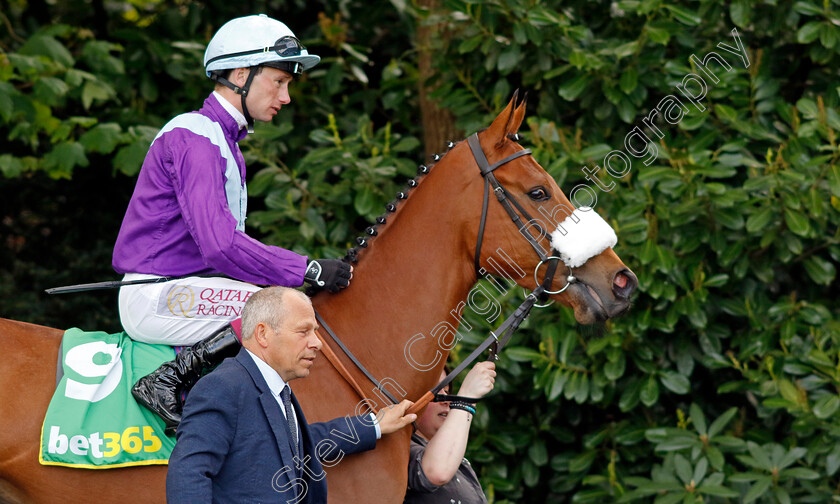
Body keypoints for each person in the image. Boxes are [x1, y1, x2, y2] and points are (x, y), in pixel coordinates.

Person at [111, 14, 352, 433]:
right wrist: (307, 268)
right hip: (156, 296)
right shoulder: (196, 138)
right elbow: (221, 247)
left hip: (183, 290)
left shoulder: (224, 144)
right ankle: (168, 380)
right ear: (241, 74)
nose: (286, 95)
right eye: (278, 81)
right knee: (272, 311)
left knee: (272, 301)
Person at [166, 286, 416, 503]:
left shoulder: (278, 388)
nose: (316, 342)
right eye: (303, 331)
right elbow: (188, 474)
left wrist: (373, 425)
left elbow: (299, 446)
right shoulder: (222, 387)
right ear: (263, 334)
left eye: (315, 331)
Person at [404, 361, 496, 504]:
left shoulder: (458, 461)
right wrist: (466, 399)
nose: (446, 401)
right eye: (434, 391)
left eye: (447, 391)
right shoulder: (399, 449)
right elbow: (436, 472)